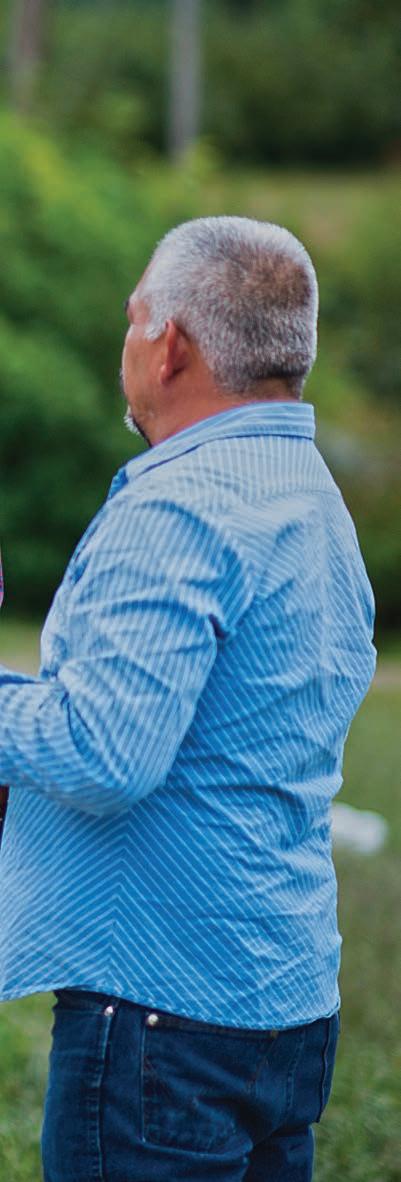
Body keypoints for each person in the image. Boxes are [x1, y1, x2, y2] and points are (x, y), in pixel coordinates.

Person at [0, 217, 376, 1182]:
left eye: (133, 319)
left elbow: (101, 751)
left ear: (167, 343)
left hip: (161, 1016)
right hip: (284, 1004)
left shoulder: (179, 503)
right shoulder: (311, 497)